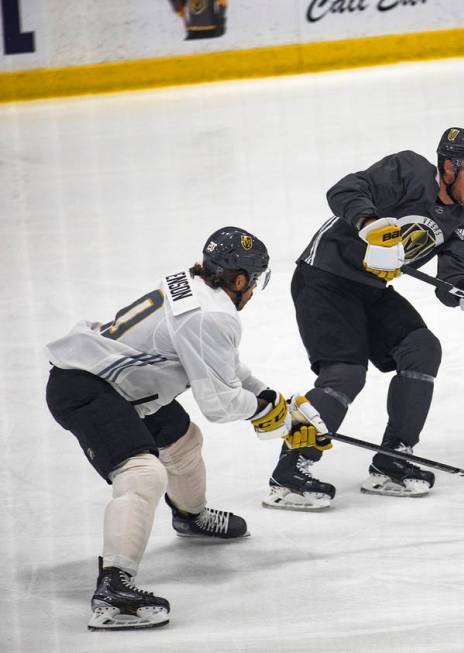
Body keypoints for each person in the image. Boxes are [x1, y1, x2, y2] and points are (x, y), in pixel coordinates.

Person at [45, 227, 299, 630]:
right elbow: (218, 404)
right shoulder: (212, 314)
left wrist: (269, 396)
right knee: (144, 472)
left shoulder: (196, 286)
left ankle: (190, 517)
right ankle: (113, 591)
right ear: (238, 280)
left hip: (114, 381)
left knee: (182, 442)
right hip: (87, 387)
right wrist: (272, 416)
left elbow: (223, 365)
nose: (252, 291)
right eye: (253, 281)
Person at [263, 127, 464, 511]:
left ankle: (394, 460)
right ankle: (289, 474)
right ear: (449, 166)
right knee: (345, 375)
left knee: (421, 348)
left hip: (372, 291)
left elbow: (451, 281)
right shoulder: (409, 172)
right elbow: (344, 190)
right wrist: (369, 224)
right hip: (324, 280)